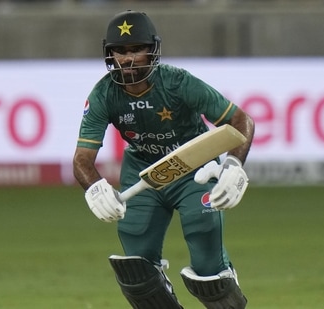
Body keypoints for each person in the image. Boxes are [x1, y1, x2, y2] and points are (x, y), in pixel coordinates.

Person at [73, 9, 255, 309]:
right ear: (110, 54)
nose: (128, 58)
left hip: (195, 168)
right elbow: (82, 158)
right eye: (120, 51)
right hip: (143, 171)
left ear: (153, 51)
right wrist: (94, 187)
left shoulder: (178, 83)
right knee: (136, 271)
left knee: (209, 274)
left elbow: (240, 120)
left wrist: (233, 166)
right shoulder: (103, 94)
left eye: (136, 50)